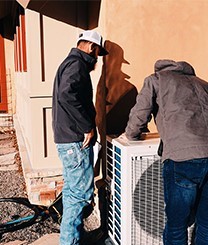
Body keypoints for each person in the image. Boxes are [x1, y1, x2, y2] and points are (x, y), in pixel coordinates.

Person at [125, 59, 208, 245]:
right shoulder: (206, 85)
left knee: (177, 225)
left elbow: (139, 115)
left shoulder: (156, 79)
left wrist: (132, 134)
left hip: (184, 157)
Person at [52, 30, 108, 245]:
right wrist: (87, 127)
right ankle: (70, 242)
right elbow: (68, 94)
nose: (96, 59)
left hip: (68, 139)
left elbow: (69, 96)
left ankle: (74, 237)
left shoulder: (69, 63)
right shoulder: (77, 65)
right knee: (79, 195)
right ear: (91, 47)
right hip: (75, 140)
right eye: (97, 53)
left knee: (72, 192)